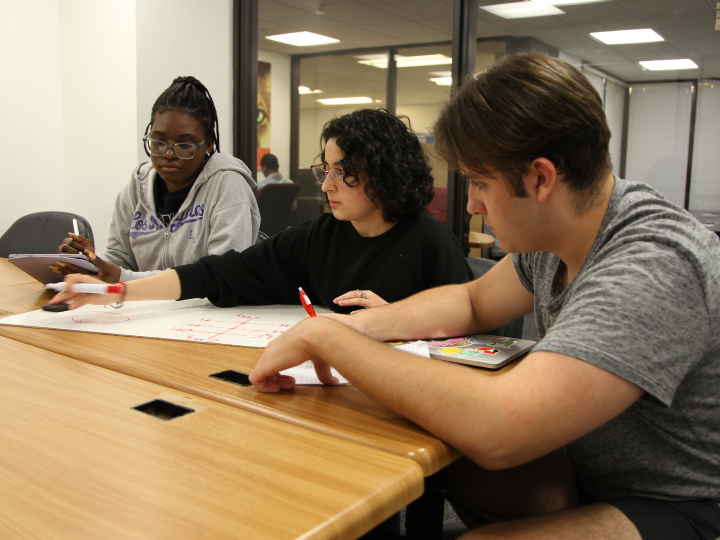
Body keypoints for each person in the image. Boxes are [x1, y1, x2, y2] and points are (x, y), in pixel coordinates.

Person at [242, 54, 720, 540]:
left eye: (480, 183)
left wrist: (332, 341)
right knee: (382, 453)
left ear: (540, 178)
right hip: (587, 463)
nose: (470, 204)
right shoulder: (565, 228)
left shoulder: (652, 264)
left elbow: (500, 426)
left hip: (682, 504)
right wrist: (356, 326)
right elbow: (472, 302)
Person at [49, 108, 473, 314]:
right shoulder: (320, 237)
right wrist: (115, 291)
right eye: (324, 169)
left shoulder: (429, 246)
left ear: (382, 174)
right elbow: (217, 272)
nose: (326, 185)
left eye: (343, 173)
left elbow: (471, 346)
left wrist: (398, 324)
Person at [56, 76, 260, 282]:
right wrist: (93, 262)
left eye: (185, 145)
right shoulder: (137, 186)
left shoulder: (228, 185)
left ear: (208, 144)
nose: (169, 153)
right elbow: (122, 258)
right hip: (146, 308)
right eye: (158, 141)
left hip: (208, 312)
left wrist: (123, 277)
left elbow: (221, 276)